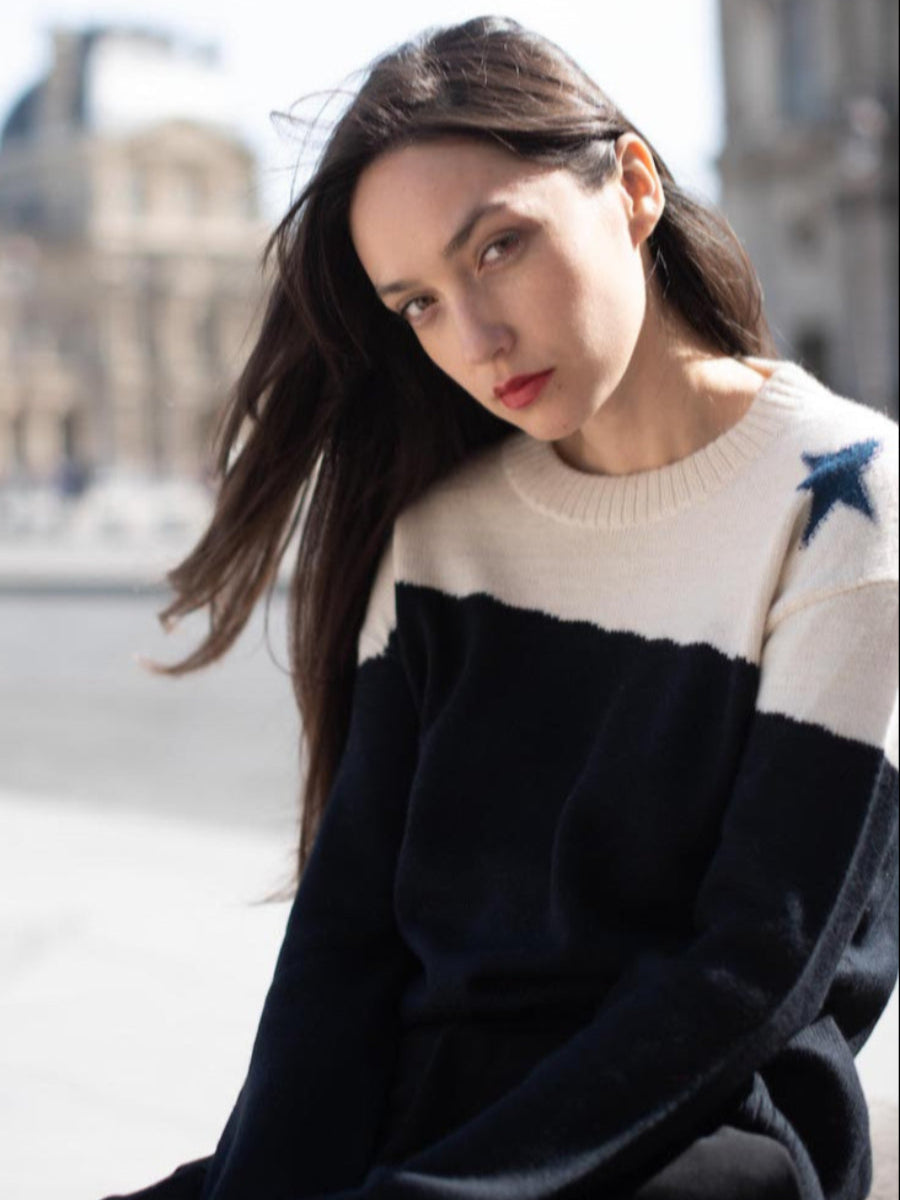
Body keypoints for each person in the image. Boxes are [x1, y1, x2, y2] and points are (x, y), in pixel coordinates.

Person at [101, 16, 899, 1200]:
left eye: (497, 249)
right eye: (417, 303)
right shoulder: (445, 529)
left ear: (632, 186)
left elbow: (750, 969)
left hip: (694, 1126)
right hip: (434, 1104)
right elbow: (346, 947)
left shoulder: (846, 496)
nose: (474, 340)